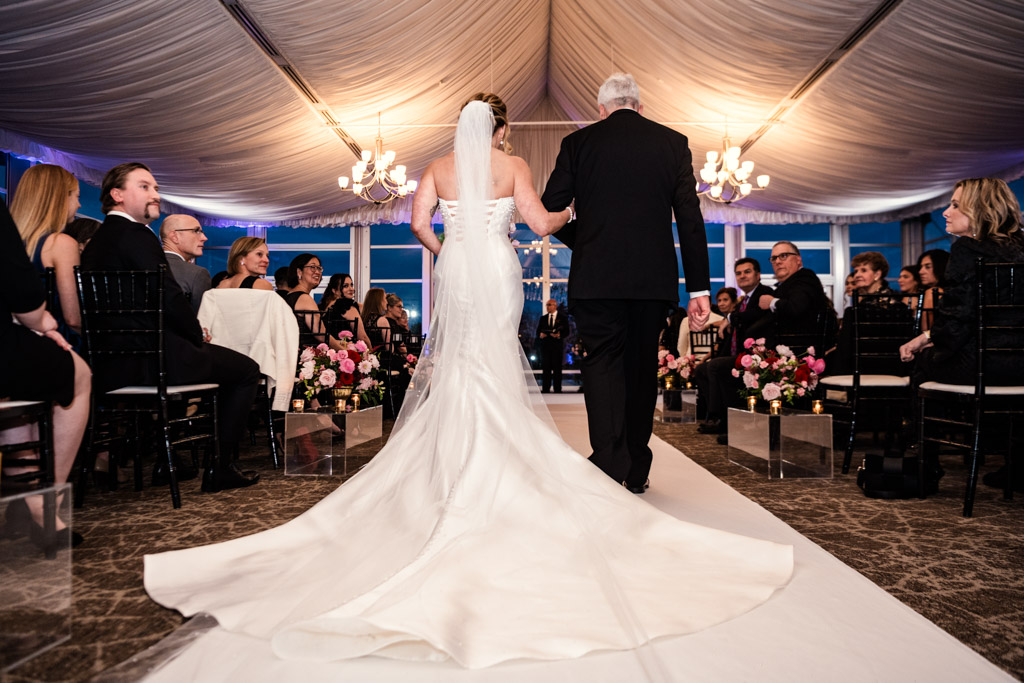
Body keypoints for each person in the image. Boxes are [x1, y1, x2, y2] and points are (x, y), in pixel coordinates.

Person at [143, 95, 791, 670]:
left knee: (460, 366)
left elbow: (418, 223)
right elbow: (542, 223)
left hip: (456, 263)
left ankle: (454, 471)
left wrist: (446, 247)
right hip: (499, 265)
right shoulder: (511, 168)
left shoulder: (437, 170)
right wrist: (585, 217)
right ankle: (515, 469)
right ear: (503, 133)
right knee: (492, 363)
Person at [541, 73, 711, 493]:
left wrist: (588, 242)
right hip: (652, 281)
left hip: (596, 280)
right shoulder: (673, 143)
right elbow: (690, 219)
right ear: (639, 105)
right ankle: (635, 467)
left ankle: (608, 463)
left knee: (601, 367)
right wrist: (700, 289)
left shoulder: (578, 144)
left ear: (601, 109)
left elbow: (550, 208)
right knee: (640, 369)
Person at [80, 162, 260, 492]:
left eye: (156, 187)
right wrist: (195, 336)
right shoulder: (137, 235)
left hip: (111, 362)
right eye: (145, 187)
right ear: (117, 195)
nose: (155, 194)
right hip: (151, 361)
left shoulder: (97, 243)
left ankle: (171, 460)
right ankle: (219, 467)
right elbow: (169, 298)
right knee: (247, 369)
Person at [900, 178, 1024, 491]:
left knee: (923, 365)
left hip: (983, 366)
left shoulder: (967, 250)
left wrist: (929, 342)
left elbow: (953, 327)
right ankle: (1016, 466)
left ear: (980, 211)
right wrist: (929, 336)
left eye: (955, 205)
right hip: (1020, 366)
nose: (945, 211)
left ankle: (927, 467)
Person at [0, 201, 91, 549]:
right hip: (30, 334)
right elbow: (70, 316)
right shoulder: (60, 242)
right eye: (73, 194)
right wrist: (42, 324)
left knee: (21, 392)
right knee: (79, 373)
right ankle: (44, 501)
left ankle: (23, 501)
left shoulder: (28, 238)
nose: (79, 202)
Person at [694, 258, 774, 434]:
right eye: (738, 273)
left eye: (747, 272)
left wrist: (730, 318)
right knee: (701, 369)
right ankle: (718, 415)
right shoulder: (743, 301)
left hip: (757, 356)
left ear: (758, 274)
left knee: (715, 366)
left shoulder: (764, 294)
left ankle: (720, 419)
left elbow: (754, 315)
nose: (742, 276)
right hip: (739, 354)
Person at [9, 164, 83, 347]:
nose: (80, 204)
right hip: (53, 344)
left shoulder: (10, 243)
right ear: (60, 198)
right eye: (77, 196)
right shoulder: (61, 243)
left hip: (12, 341)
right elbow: (73, 319)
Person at [825, 251, 905, 376]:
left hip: (872, 365)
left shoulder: (883, 305)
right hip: (888, 365)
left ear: (877, 274)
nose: (857, 275)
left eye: (863, 270)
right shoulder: (892, 299)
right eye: (856, 271)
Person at [284, 252, 347, 351]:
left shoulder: (290, 296)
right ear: (299, 272)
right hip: (305, 358)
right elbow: (321, 335)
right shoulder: (304, 298)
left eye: (319, 268)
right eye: (312, 267)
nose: (317, 272)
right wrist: (345, 352)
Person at [160, 214, 213, 313]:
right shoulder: (196, 274)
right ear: (175, 237)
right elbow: (202, 319)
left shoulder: (143, 266)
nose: (204, 238)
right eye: (196, 231)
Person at [319, 272, 371, 345]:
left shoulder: (325, 306)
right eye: (345, 286)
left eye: (351, 285)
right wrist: (371, 352)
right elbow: (362, 337)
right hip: (344, 351)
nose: (351, 289)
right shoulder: (345, 305)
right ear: (334, 290)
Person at [536, 298, 569, 392]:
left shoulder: (562, 318)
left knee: (557, 368)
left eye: (549, 305)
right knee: (546, 368)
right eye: (547, 305)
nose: (547, 307)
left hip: (557, 347)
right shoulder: (543, 318)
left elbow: (567, 331)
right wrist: (540, 335)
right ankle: (545, 388)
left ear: (555, 305)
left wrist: (559, 335)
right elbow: (538, 331)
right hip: (546, 347)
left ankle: (557, 389)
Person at [917, 248, 949, 331]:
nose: (921, 271)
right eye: (921, 267)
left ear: (941, 267)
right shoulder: (951, 291)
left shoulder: (933, 291)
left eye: (928, 267)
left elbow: (926, 330)